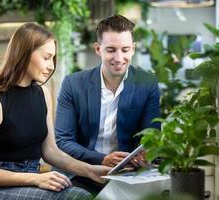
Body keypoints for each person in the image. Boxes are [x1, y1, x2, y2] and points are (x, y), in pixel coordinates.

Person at [0, 22, 110, 200]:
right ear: (24, 53)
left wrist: (90, 171)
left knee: (84, 193)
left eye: (53, 58)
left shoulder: (42, 94)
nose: (52, 66)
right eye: (46, 57)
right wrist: (36, 179)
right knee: (76, 197)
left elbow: (51, 152)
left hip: (33, 179)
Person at [54, 15, 160, 194]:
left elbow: (151, 135)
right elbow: (63, 140)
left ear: (133, 49)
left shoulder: (147, 83)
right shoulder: (73, 84)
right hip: (81, 173)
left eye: (125, 50)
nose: (119, 58)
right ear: (98, 49)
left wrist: (144, 154)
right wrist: (102, 159)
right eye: (111, 50)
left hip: (128, 173)